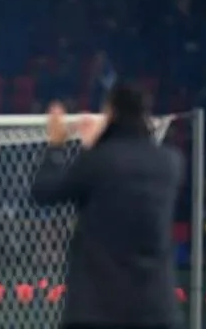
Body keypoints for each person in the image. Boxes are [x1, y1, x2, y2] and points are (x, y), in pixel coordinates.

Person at [30, 83, 183, 329]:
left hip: (97, 308)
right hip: (156, 308)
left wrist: (57, 147)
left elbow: (44, 192)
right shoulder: (170, 163)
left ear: (111, 114)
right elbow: (131, 165)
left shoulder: (99, 161)